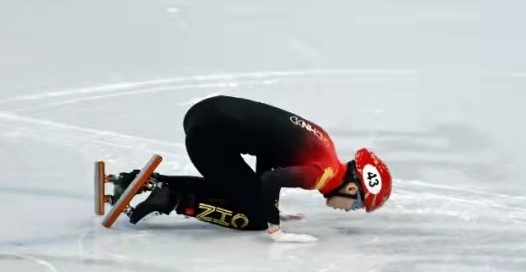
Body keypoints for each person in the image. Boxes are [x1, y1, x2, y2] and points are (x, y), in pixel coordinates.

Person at [112, 95, 392, 243]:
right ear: (352, 188)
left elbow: (270, 153)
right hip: (211, 133)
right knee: (255, 218)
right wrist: (274, 228)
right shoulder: (321, 174)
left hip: (207, 112)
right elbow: (271, 178)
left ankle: (142, 182)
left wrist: (270, 204)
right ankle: (169, 198)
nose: (350, 210)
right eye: (358, 204)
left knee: (246, 194)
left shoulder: (325, 147)